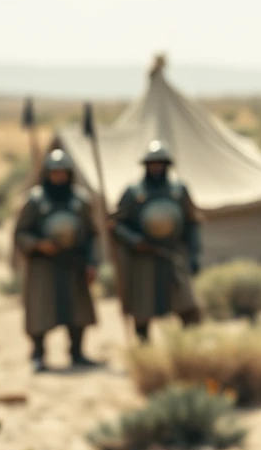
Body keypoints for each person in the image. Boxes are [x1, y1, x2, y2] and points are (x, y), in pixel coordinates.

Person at [13, 149, 100, 372]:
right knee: (42, 310)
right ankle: (38, 353)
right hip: (44, 264)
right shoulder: (34, 200)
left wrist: (92, 262)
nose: (59, 177)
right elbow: (20, 233)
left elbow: (92, 234)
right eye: (55, 173)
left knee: (77, 310)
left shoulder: (80, 201)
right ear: (48, 174)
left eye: (63, 173)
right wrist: (39, 244)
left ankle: (77, 352)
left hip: (74, 261)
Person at [112, 140, 203, 343]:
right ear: (146, 166)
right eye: (152, 163)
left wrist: (195, 254)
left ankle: (190, 346)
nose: (156, 167)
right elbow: (116, 224)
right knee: (143, 305)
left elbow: (192, 222)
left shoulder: (178, 190)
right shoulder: (133, 192)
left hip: (173, 253)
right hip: (144, 255)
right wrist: (134, 240)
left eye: (160, 163)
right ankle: (144, 347)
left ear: (166, 165)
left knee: (187, 304)